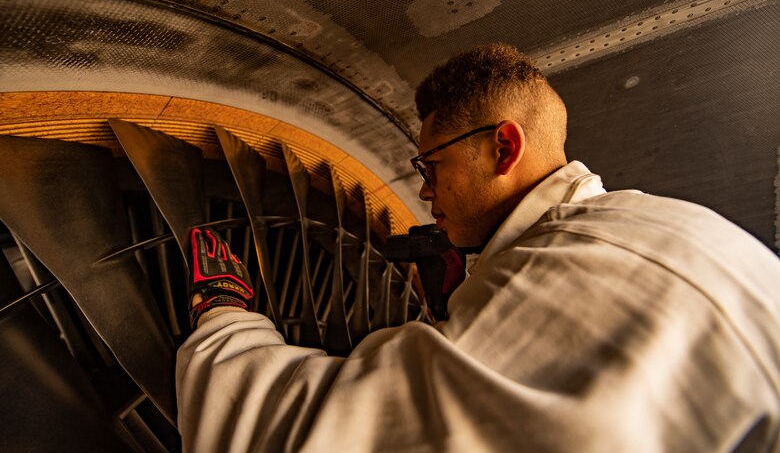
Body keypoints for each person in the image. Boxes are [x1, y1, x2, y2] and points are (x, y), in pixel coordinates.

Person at [177, 44, 780, 452]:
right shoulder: (657, 220)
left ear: (503, 149)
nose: (422, 187)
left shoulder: (565, 262)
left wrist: (224, 314)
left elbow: (318, 431)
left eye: (431, 164)